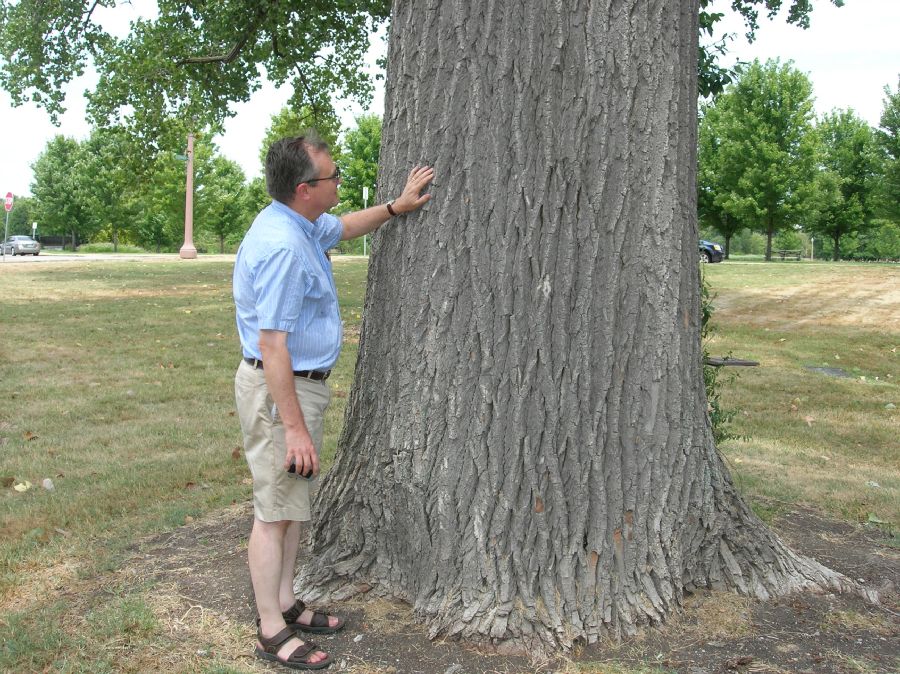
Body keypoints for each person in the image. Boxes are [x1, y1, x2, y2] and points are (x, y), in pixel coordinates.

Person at [233, 133, 434, 670]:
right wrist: (294, 428)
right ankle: (270, 628)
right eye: (334, 176)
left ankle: (286, 602)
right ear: (305, 189)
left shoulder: (298, 223)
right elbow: (271, 345)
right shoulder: (281, 247)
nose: (340, 181)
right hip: (284, 391)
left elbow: (341, 227)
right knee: (273, 513)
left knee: (292, 505)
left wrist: (396, 207)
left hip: (299, 388)